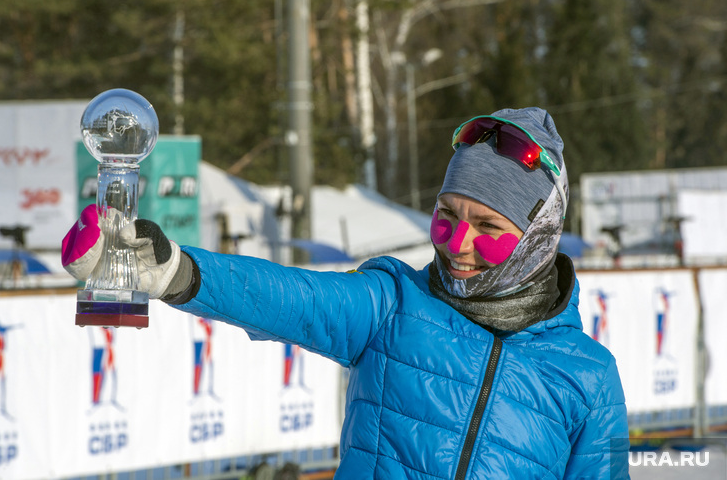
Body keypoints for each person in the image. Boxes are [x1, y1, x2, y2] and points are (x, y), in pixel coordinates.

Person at [62, 107, 630, 479]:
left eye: (489, 228)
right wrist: (173, 270)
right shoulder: (393, 307)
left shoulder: (587, 376)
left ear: (537, 238)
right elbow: (291, 297)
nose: (458, 243)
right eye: (447, 216)